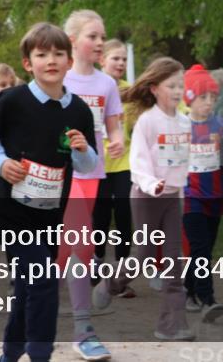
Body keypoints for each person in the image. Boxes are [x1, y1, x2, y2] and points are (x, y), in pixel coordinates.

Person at [0, 22, 98, 362]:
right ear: (28, 63)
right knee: (44, 279)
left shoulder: (79, 110)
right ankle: (40, 354)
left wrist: (82, 150)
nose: (51, 60)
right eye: (42, 54)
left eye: (59, 53)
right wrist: (1, 164)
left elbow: (88, 165)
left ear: (69, 61)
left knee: (30, 287)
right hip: (11, 209)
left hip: (49, 212)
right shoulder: (13, 100)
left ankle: (10, 354)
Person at [93, 57, 195, 341]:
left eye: (180, 85)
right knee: (144, 255)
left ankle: (171, 325)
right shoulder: (147, 122)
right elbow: (138, 162)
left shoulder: (184, 122)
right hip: (145, 196)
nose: (177, 91)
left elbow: (185, 159)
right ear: (153, 88)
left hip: (174, 199)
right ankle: (112, 284)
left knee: (174, 263)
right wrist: (153, 183)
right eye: (171, 85)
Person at [56, 10, 125, 361]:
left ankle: (74, 325)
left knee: (74, 249)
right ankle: (69, 325)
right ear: (72, 41)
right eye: (92, 36)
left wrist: (116, 140)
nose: (100, 43)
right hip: (56, 177)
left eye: (102, 37)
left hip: (90, 174)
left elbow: (114, 125)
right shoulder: (59, 79)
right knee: (68, 251)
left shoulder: (106, 84)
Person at [182, 64, 223, 321]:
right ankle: (208, 300)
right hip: (189, 196)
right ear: (189, 99)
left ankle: (189, 290)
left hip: (215, 196)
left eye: (213, 98)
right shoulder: (179, 126)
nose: (209, 103)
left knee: (204, 250)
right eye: (203, 97)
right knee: (201, 247)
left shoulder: (221, 125)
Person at [92, 40, 134, 281]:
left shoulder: (131, 91)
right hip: (98, 162)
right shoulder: (93, 86)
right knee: (100, 217)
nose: (120, 63)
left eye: (124, 59)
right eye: (115, 58)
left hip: (125, 161)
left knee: (125, 213)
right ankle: (97, 259)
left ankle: (122, 267)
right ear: (102, 61)